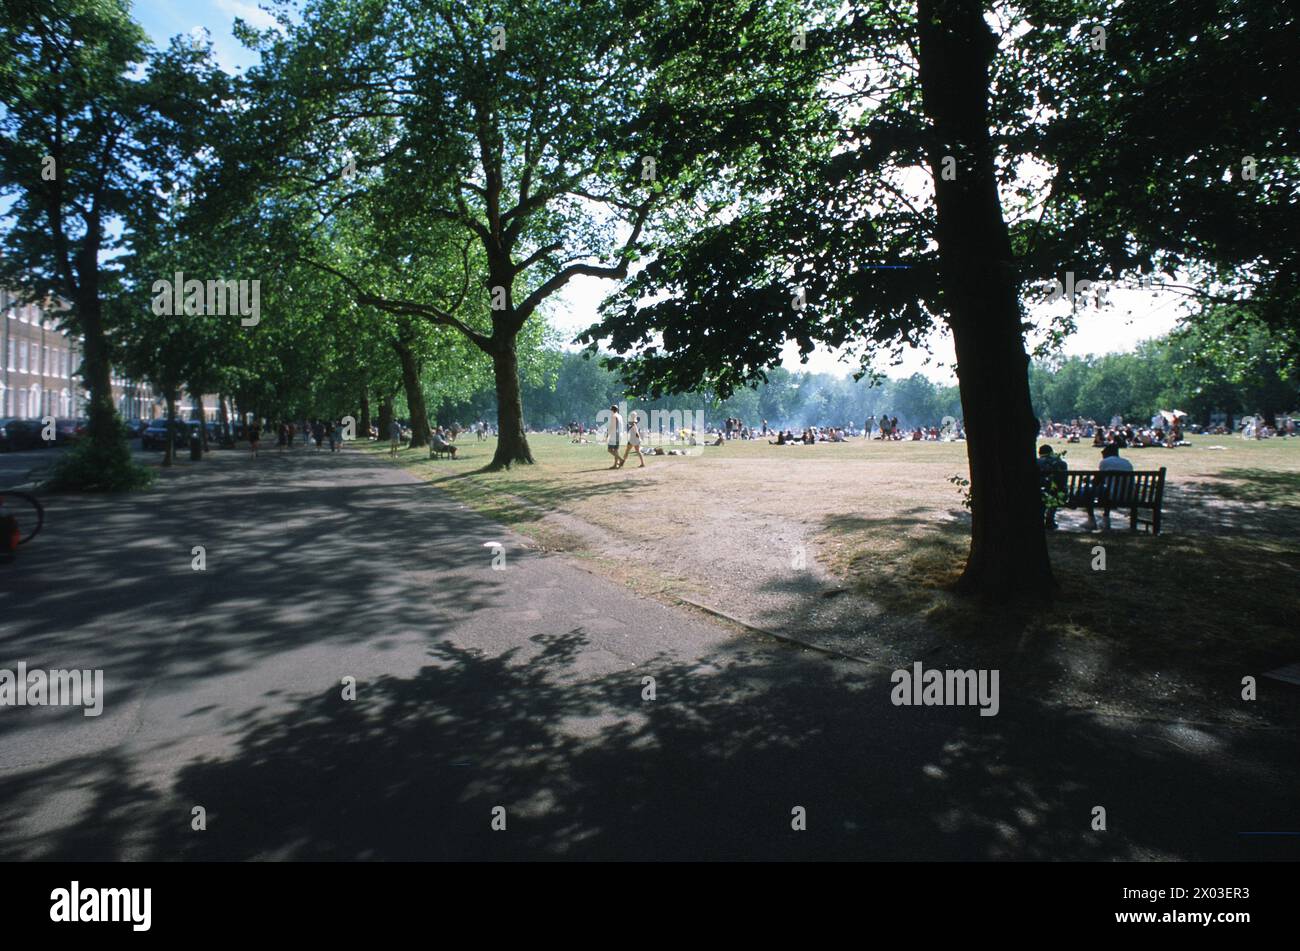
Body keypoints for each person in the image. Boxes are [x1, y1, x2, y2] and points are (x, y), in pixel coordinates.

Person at [1085, 443, 1134, 531]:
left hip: (1110, 496)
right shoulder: (1127, 463)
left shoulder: (1105, 462)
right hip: (1127, 496)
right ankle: (1105, 518)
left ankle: (1091, 520)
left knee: (1087, 491)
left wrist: (1088, 481)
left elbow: (1097, 481)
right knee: (1109, 489)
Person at [1036, 445, 1069, 530]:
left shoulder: (1037, 462)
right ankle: (1050, 520)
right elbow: (1063, 482)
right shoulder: (1062, 463)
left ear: (1040, 453)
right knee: (1055, 492)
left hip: (1040, 493)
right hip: (1059, 494)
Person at [606, 404, 622, 468]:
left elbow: (612, 426)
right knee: (615, 450)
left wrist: (608, 434)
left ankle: (621, 459)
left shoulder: (613, 416)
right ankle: (615, 465)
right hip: (620, 434)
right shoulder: (620, 416)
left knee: (609, 449)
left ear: (612, 410)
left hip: (614, 435)